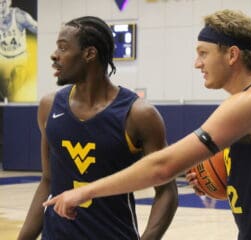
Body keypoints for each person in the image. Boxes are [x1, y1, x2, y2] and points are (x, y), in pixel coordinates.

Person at [43, 10, 251, 239]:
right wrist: (220, 179)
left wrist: (85, 191)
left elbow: (162, 166)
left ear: (231, 55)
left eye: (203, 53)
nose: (197, 63)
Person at [18, 16, 178, 240]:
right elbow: (47, 182)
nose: (54, 54)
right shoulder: (48, 106)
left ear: (89, 54)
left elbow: (166, 191)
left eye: (63, 47)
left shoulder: (139, 115)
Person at [0, 0, 38, 102]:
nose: (1, 5)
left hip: (19, 57)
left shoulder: (19, 16)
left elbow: (38, 29)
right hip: (3, 58)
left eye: (3, 2)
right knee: (6, 94)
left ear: (9, 2)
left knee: (17, 92)